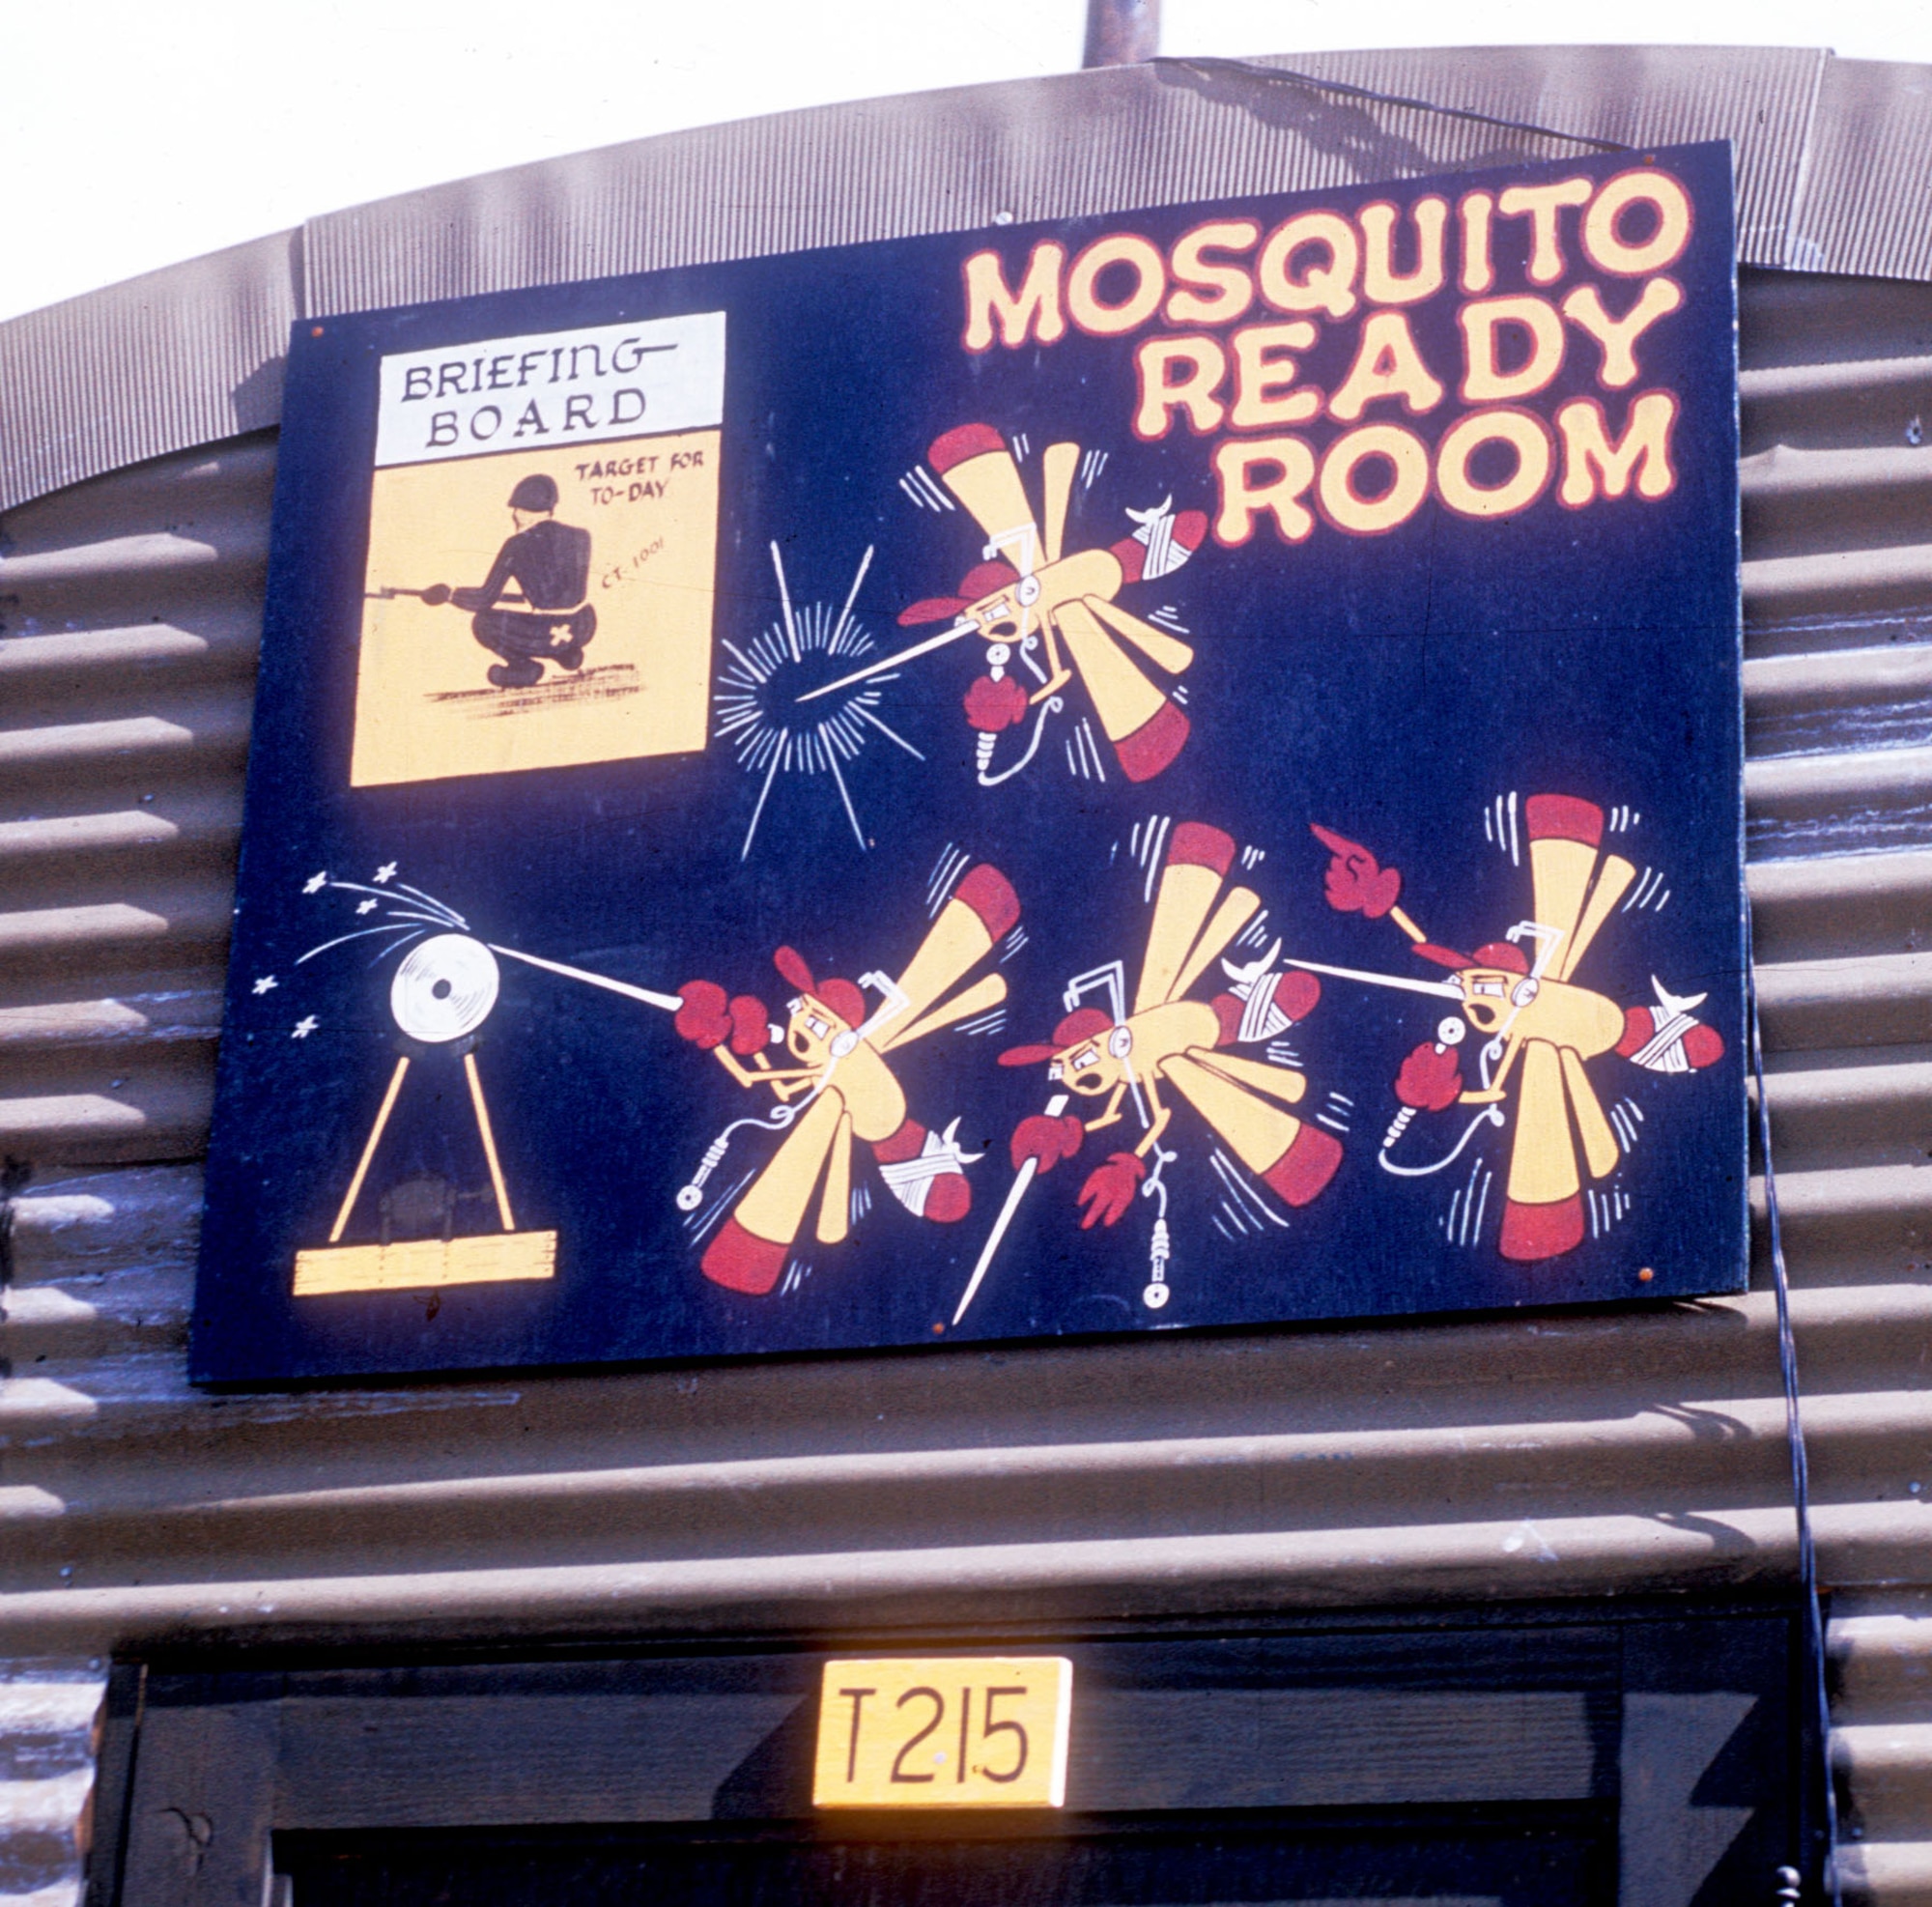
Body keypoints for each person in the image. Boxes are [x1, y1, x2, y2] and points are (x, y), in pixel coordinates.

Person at [451, 474, 597, 688]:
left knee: (483, 622)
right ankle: (567, 653)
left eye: (515, 510)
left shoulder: (515, 545)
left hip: (545, 635)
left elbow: (485, 599)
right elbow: (556, 590)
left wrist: (450, 595)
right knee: (547, 616)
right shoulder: (581, 535)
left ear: (521, 512)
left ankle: (523, 667)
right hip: (582, 626)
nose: (514, 516)